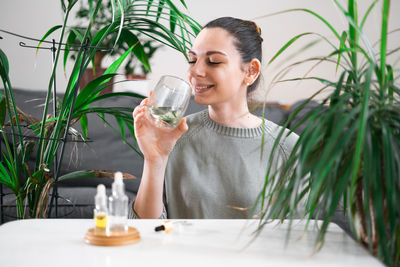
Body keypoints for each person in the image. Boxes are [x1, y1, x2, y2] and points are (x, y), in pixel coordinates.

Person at [131, 17, 298, 219]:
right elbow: (147, 234)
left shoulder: (288, 147)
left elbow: (300, 239)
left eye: (214, 61)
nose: (195, 70)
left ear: (251, 71)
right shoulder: (172, 137)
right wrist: (154, 160)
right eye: (193, 60)